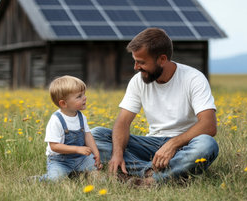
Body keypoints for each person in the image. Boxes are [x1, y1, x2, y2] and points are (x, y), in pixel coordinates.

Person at [92, 28, 219, 185]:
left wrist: (172, 144)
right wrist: (117, 154)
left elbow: (209, 125)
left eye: (142, 62)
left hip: (184, 145)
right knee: (96, 135)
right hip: (151, 144)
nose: (136, 67)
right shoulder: (138, 81)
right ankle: (156, 174)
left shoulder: (194, 79)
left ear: (162, 59)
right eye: (135, 60)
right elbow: (123, 122)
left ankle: (146, 179)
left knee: (207, 144)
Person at [36, 75, 102, 182]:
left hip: (81, 158)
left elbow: (87, 135)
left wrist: (96, 153)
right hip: (60, 161)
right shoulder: (56, 120)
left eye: (84, 94)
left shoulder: (81, 117)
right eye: (79, 96)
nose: (85, 97)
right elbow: (54, 146)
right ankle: (40, 180)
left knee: (96, 174)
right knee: (55, 179)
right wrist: (77, 149)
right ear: (63, 103)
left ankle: (76, 174)